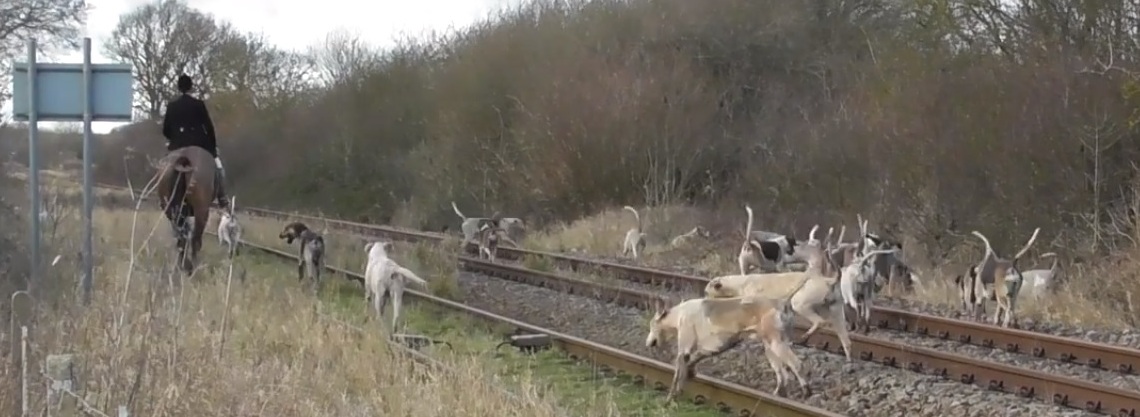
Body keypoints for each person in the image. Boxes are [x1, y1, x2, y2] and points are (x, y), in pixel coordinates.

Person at [162, 74, 229, 210]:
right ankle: (222, 198)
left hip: (177, 146)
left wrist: (173, 139)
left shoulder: (172, 106)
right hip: (200, 145)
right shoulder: (199, 104)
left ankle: (163, 198)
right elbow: (209, 127)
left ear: (178, 87)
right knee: (219, 168)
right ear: (191, 87)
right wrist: (213, 147)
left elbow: (165, 130)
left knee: (163, 170)